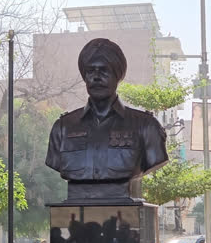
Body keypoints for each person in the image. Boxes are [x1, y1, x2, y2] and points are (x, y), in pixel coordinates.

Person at [45, 38, 168, 200]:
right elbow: (55, 162)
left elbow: (155, 159)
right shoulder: (63, 127)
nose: (96, 77)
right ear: (84, 76)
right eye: (90, 71)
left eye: (104, 70)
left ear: (117, 75)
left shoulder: (146, 126)